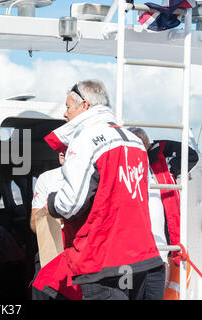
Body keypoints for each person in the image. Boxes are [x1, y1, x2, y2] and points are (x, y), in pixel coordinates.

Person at [41, 79, 163, 300]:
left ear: (85, 106)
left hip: (104, 258)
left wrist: (51, 203)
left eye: (68, 107)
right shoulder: (135, 141)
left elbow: (71, 204)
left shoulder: (86, 139)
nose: (64, 114)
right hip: (143, 256)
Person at [127, 127, 199, 299]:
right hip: (130, 256)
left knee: (154, 295)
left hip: (159, 254)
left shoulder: (160, 172)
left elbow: (191, 156)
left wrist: (157, 146)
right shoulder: (124, 172)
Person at [30, 152, 82, 300]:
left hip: (81, 258)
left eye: (67, 145)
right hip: (50, 256)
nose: (61, 151)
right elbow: (34, 224)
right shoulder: (47, 178)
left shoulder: (94, 176)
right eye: (59, 147)